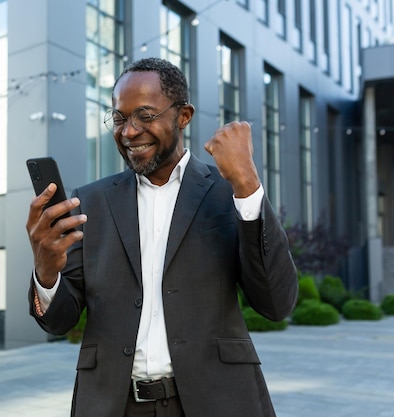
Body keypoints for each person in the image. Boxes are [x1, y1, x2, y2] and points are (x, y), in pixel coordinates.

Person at [26, 57, 298, 417]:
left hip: (217, 401)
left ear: (183, 116)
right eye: (120, 118)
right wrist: (46, 271)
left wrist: (247, 184)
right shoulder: (90, 202)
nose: (128, 132)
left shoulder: (227, 194)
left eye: (145, 116)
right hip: (113, 405)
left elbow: (276, 304)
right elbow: (59, 321)